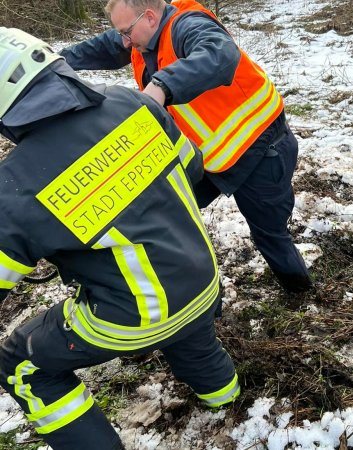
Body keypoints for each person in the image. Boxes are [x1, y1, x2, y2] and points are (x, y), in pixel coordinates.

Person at [0, 27, 240, 450]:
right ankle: (227, 403)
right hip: (201, 278)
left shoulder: (15, 185)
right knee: (192, 335)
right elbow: (192, 169)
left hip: (133, 317)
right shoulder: (132, 103)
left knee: (20, 363)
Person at [60, 0, 314, 293]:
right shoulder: (139, 37)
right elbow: (104, 46)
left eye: (127, 32)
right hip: (208, 158)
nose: (124, 41)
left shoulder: (187, 25)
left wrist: (161, 87)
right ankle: (187, 296)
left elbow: (218, 53)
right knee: (167, 210)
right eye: (121, 33)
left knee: (270, 234)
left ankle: (300, 294)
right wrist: (57, 61)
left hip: (259, 149)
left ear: (151, 17)